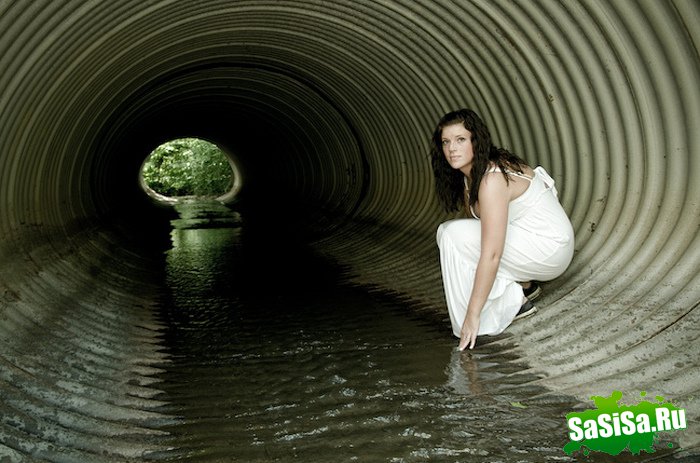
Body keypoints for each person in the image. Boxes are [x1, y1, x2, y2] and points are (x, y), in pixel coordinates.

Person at [431, 109, 574, 351]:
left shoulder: (491, 178)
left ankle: (510, 306)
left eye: (460, 140)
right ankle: (524, 286)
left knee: (450, 234)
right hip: (534, 243)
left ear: (476, 140)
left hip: (550, 248)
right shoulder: (470, 178)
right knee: (461, 235)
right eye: (446, 142)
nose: (451, 148)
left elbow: (492, 254)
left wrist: (472, 314)